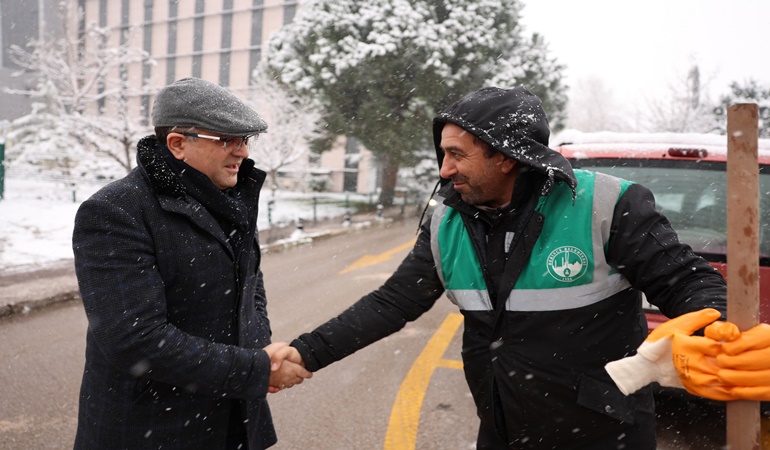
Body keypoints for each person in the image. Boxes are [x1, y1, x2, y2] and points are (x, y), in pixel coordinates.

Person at [288, 86, 729, 449]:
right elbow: (392, 302)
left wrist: (713, 328)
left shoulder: (607, 205)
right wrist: (306, 352)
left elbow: (689, 282)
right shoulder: (448, 223)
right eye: (443, 154)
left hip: (601, 432)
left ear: (507, 156)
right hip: (502, 428)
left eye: (457, 154)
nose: (445, 171)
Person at [72, 77, 310, 450]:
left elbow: (251, 290)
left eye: (245, 140)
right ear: (178, 144)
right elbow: (135, 340)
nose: (242, 152)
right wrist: (254, 369)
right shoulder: (115, 211)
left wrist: (260, 353)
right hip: (153, 429)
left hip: (235, 418)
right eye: (227, 140)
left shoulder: (230, 201)